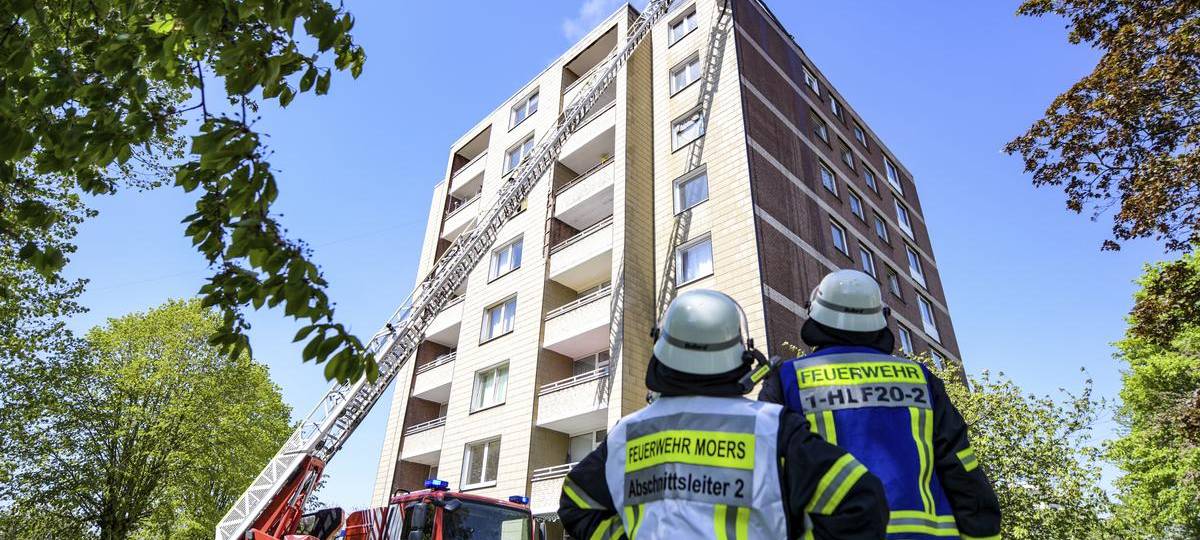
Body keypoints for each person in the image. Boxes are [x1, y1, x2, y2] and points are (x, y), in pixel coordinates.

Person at [558, 289, 889, 540]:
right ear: (741, 354)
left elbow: (576, 503)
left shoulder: (626, 434)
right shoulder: (773, 428)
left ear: (662, 352)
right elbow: (861, 502)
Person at [759, 269, 1001, 540]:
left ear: (815, 315)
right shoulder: (921, 378)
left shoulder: (788, 379)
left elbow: (768, 481)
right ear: (881, 318)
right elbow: (961, 465)